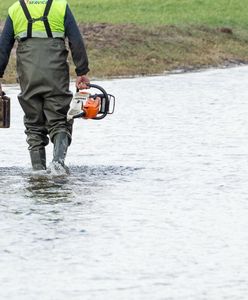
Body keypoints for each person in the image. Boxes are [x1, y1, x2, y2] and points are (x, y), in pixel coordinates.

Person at [0, 0, 90, 172]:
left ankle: (38, 173)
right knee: (59, 120)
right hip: (55, 75)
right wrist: (82, 71)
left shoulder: (16, 9)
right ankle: (57, 166)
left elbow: (3, 47)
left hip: (28, 77)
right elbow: (76, 41)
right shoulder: (60, 6)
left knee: (33, 125)